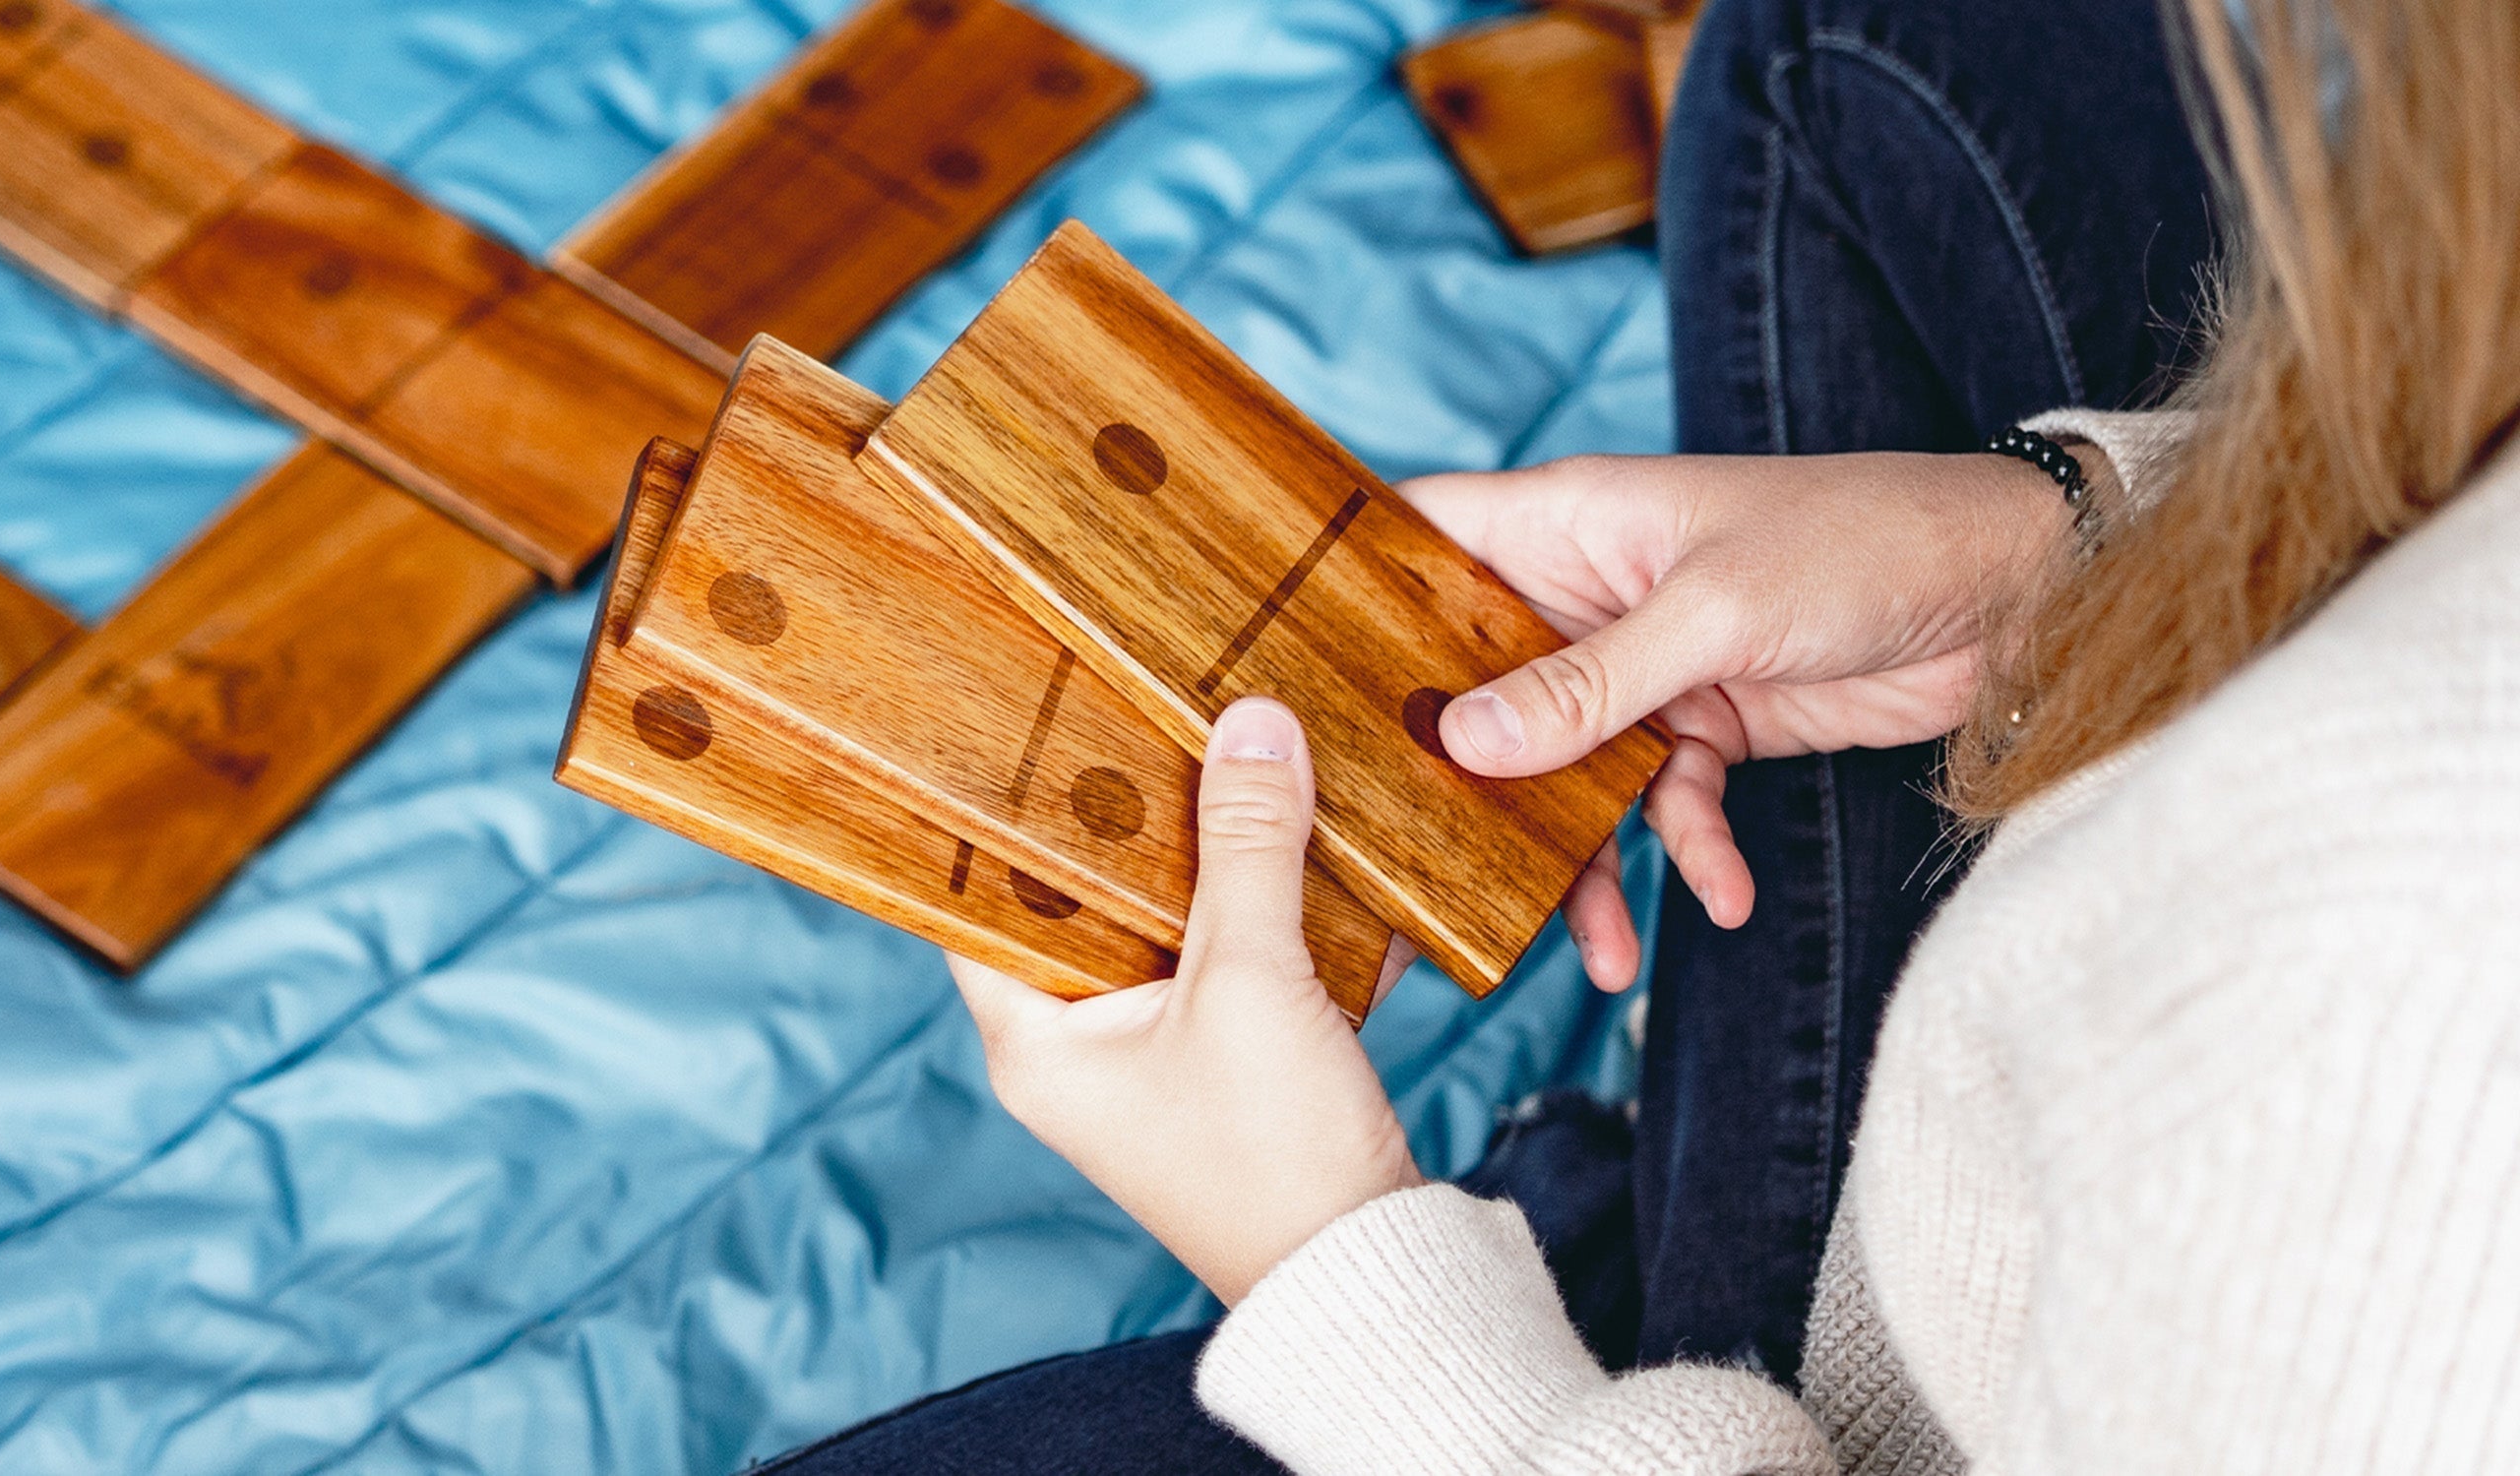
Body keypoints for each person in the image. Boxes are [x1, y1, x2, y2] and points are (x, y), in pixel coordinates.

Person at [761, 0, 2519, 1467]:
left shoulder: (2399, 1016)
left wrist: (1339, 1262)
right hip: (2090, 1023)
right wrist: (2069, 544)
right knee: (1844, 36)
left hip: (1882, 1400)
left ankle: (1601, 1253)